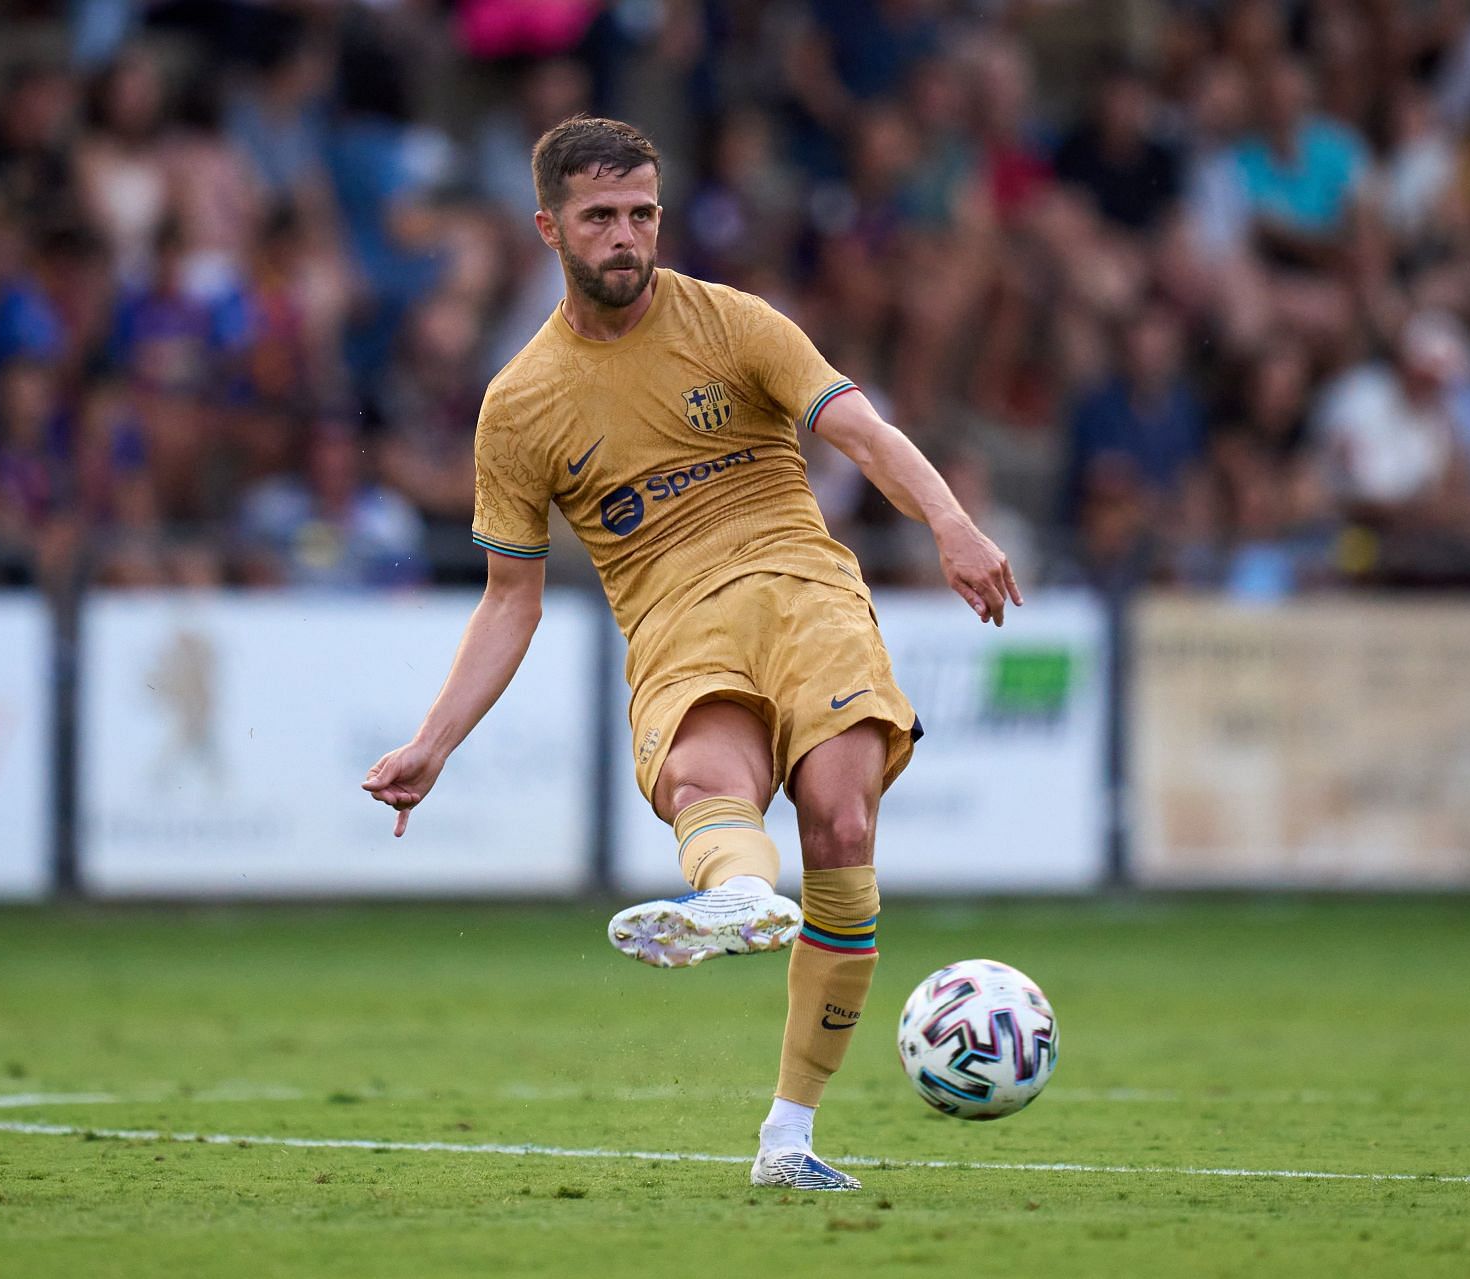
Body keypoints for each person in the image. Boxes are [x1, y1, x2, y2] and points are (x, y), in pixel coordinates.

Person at [360, 118, 1019, 1192]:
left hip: (804, 587)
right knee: (705, 783)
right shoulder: (518, 404)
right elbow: (508, 602)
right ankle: (736, 901)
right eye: (602, 218)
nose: (627, 237)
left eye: (642, 215)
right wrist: (435, 742)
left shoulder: (736, 322)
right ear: (549, 229)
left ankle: (788, 1133)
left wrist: (950, 523)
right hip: (671, 620)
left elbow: (861, 430)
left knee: (842, 817)